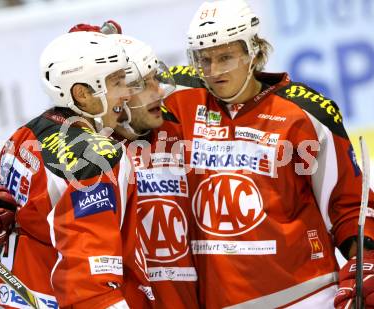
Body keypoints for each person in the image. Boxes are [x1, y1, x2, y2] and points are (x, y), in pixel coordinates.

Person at [159, 0, 374, 308]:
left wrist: (366, 259)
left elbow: (348, 203)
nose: (214, 70)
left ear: (255, 52)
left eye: (226, 57)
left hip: (307, 296)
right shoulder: (182, 100)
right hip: (219, 300)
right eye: (204, 60)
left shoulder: (306, 113)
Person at [0, 30, 153, 309]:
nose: (126, 93)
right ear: (82, 93)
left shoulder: (27, 134)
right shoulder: (95, 160)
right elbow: (89, 277)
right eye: (116, 82)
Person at [109, 33, 200, 309]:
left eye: (155, 79)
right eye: (142, 85)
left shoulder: (180, 129)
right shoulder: (85, 151)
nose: (159, 91)